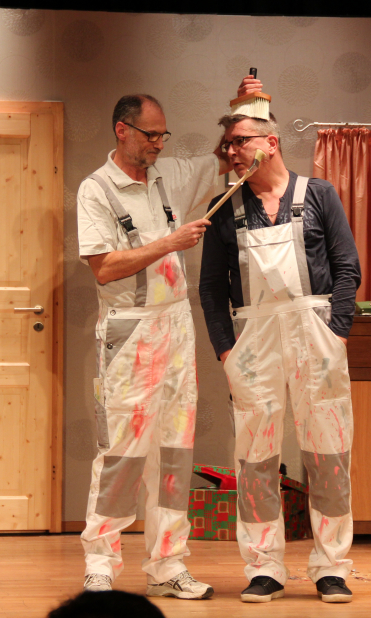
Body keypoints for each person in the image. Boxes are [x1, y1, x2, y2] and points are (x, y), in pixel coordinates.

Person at [198, 82, 362, 604]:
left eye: (240, 141)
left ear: (270, 143)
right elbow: (210, 288)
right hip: (254, 339)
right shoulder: (224, 207)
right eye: (227, 145)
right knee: (255, 458)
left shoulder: (319, 195)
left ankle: (331, 567)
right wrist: (227, 350)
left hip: (315, 331)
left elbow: (347, 267)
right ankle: (264, 566)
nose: (231, 151)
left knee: (329, 451)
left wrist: (336, 331)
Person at [76, 87, 241, 600]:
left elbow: (224, 158)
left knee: (174, 452)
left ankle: (168, 564)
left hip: (175, 327)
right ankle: (100, 563)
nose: (159, 144)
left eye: (163, 135)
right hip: (129, 331)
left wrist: (241, 109)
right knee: (120, 453)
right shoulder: (96, 189)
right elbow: (104, 268)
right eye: (150, 135)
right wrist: (170, 242)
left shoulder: (169, 174)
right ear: (121, 130)